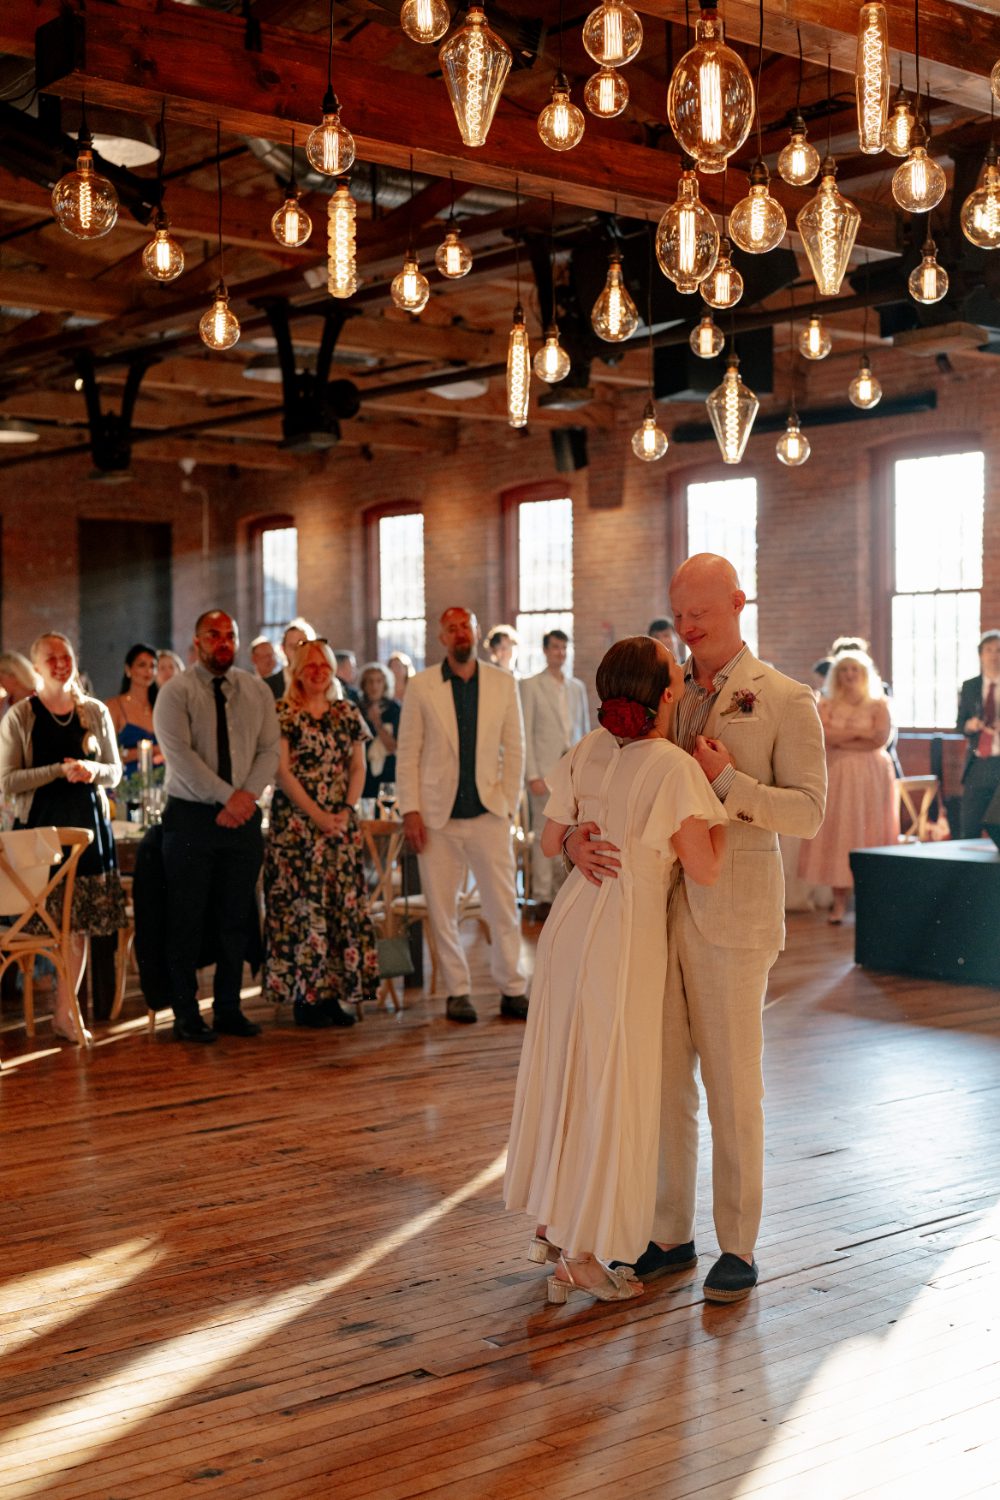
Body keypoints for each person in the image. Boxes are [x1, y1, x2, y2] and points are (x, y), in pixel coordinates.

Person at [566, 555, 826, 1304]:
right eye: (678, 612)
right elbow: (614, 779)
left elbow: (808, 812)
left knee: (732, 1086)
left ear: (739, 602)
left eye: (699, 611)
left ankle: (738, 1243)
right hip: (652, 913)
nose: (685, 626)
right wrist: (575, 837)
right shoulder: (665, 693)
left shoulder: (786, 698)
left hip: (734, 916)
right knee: (662, 1081)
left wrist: (728, 783)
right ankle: (668, 1233)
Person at [505, 637, 726, 1304]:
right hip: (624, 937)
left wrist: (575, 840)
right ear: (666, 695)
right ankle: (585, 1253)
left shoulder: (588, 748)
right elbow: (708, 867)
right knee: (609, 1083)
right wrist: (720, 789)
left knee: (566, 1073)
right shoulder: (673, 767)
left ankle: (554, 1227)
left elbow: (549, 840)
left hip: (571, 923)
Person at [153, 609, 279, 1043]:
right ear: (197, 642)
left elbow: (269, 751)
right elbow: (181, 758)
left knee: (236, 918)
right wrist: (230, 797)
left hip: (242, 817)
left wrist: (245, 797)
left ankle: (229, 1008)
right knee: (185, 920)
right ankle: (186, 1013)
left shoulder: (256, 690)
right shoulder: (175, 692)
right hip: (191, 818)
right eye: (214, 635)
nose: (223, 642)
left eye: (230, 635)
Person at [397, 606, 528, 1024]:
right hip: (437, 815)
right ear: (442, 638)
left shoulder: (503, 683)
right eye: (450, 628)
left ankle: (512, 987)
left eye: (464, 626)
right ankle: (458, 991)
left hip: (489, 811)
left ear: (476, 631)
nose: (459, 634)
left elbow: (516, 748)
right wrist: (411, 810)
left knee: (503, 905)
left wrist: (507, 803)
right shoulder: (421, 686)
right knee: (442, 907)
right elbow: (408, 754)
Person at [0, 631, 125, 1043]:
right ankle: (42, 1005)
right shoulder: (21, 716)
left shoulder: (94, 711)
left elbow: (115, 771)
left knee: (79, 925)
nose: (59, 663)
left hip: (88, 830)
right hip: (38, 832)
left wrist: (91, 771)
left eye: (65, 655)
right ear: (36, 667)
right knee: (44, 926)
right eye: (50, 657)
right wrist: (58, 769)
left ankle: (65, 1013)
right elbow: (8, 781)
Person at [264, 640, 378, 1028]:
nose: (317, 671)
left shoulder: (347, 711)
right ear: (296, 670)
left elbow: (358, 767)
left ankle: (332, 996)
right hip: (297, 828)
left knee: (338, 909)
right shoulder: (284, 712)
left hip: (340, 826)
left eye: (324, 665)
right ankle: (305, 998)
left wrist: (345, 811)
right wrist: (316, 815)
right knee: (302, 909)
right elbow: (283, 772)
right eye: (309, 665)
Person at [798, 650, 899, 923]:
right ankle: (839, 903)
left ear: (865, 674)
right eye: (844, 670)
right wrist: (859, 734)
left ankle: (870, 903)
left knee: (871, 831)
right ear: (837, 675)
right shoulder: (826, 703)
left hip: (872, 777)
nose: (850, 675)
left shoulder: (879, 704)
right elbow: (824, 736)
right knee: (840, 833)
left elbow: (880, 738)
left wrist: (845, 738)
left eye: (855, 669)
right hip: (838, 774)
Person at [519, 629, 590, 913]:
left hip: (571, 770)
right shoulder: (530, 685)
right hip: (543, 770)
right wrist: (532, 774)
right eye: (555, 648)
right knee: (542, 832)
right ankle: (542, 895)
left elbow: (583, 730)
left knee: (570, 828)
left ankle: (564, 892)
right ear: (546, 651)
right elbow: (525, 731)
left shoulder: (576, 688)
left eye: (564, 648)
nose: (560, 652)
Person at [957, 629, 1000, 838]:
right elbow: (959, 725)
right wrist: (970, 725)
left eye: (999, 651)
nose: (994, 655)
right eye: (989, 650)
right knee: (970, 826)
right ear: (981, 655)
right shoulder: (970, 686)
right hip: (978, 762)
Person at [105, 643, 161, 778]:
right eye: (142, 665)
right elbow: (106, 754)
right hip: (127, 784)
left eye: (152, 666)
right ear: (128, 669)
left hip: (160, 780)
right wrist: (153, 750)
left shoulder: (160, 705)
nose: (148, 671)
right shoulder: (114, 706)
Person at [357, 662, 400, 801]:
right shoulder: (356, 709)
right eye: (370, 681)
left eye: (378, 681)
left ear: (385, 684)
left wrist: (377, 723)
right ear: (364, 685)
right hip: (363, 774)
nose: (374, 686)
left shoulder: (395, 709)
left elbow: (393, 746)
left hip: (388, 774)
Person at [0, 651, 37, 723]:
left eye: (0, 678)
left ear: (13, 676)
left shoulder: (41, 698)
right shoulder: (4, 703)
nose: (0, 683)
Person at [281, 618, 317, 690]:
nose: (297, 651)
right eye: (292, 646)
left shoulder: (323, 681)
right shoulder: (268, 685)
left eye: (302, 645)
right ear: (283, 649)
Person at [250, 636, 286, 701]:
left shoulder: (282, 682)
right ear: (254, 659)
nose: (271, 659)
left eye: (272, 655)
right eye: (266, 656)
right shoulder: (247, 683)